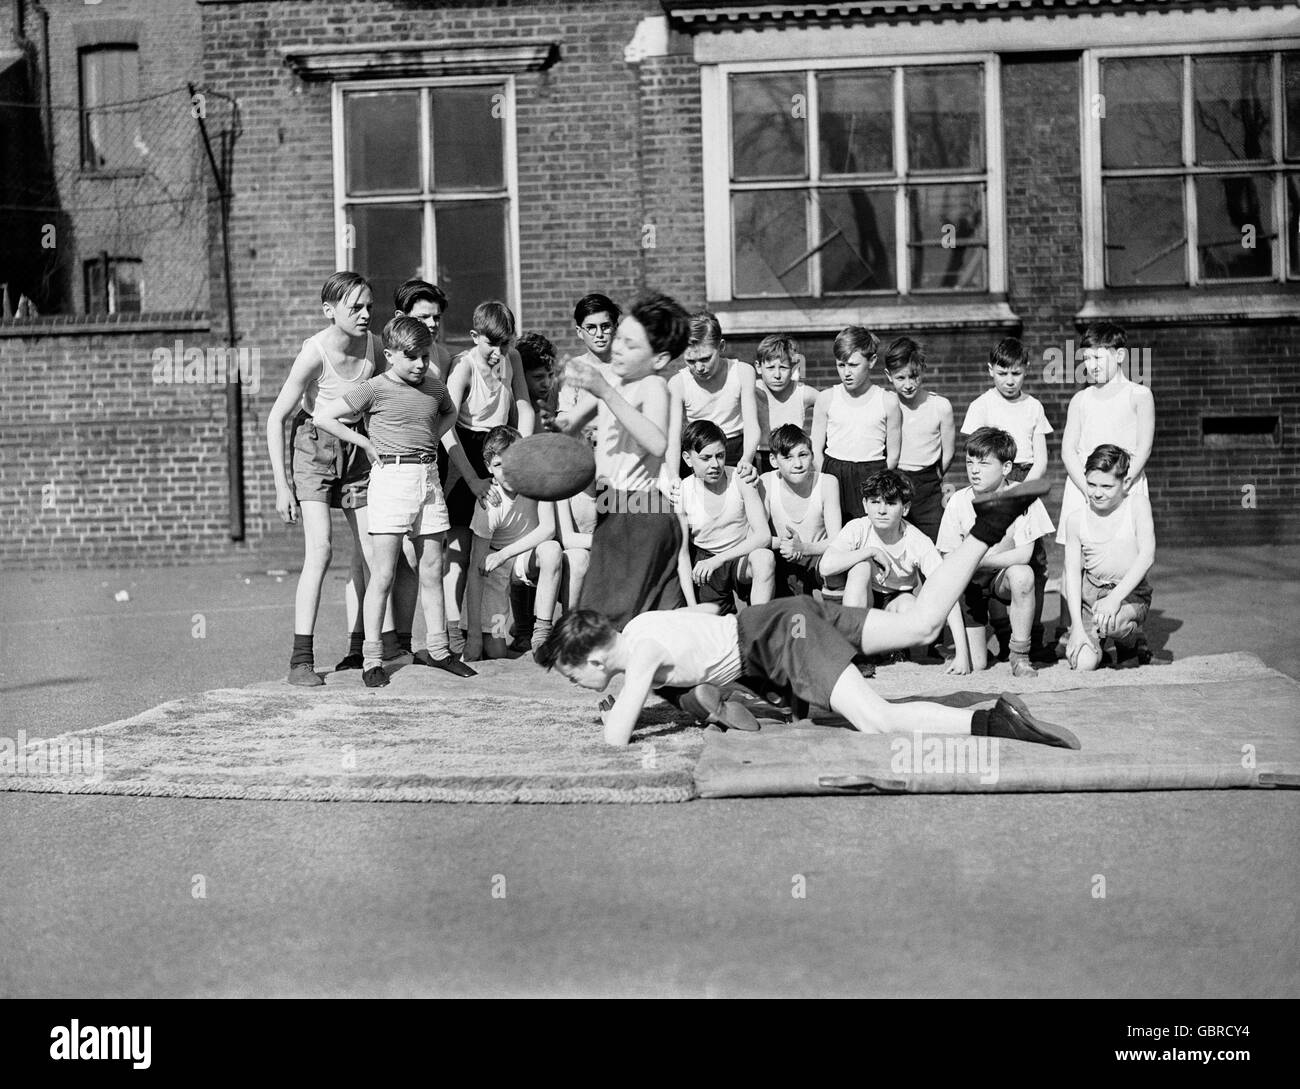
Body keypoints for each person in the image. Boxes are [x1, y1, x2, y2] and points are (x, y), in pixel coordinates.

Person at [535, 480, 1079, 751]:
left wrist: (615, 711)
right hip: (781, 620)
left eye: (571, 673)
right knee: (921, 626)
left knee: (877, 721)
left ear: (598, 655)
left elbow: (616, 740)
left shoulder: (641, 654)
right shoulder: (639, 627)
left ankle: (990, 722)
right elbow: (697, 621)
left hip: (777, 639)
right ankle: (988, 527)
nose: (573, 684)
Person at [313, 316, 476, 687]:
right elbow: (324, 416)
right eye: (412, 357)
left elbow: (449, 411)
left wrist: (433, 436)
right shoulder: (374, 388)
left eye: (424, 356)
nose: (420, 364)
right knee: (383, 573)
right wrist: (366, 443)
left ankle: (439, 651)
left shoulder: (434, 387)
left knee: (432, 569)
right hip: (390, 481)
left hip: (429, 480)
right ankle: (373, 659)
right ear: (389, 355)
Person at [266, 271, 386, 686]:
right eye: (355, 307)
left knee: (373, 551)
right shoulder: (314, 353)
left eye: (369, 305)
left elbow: (382, 401)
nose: (365, 314)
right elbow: (276, 417)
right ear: (329, 311)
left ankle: (364, 649)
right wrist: (282, 487)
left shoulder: (375, 347)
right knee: (321, 550)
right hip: (314, 447)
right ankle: (301, 661)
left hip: (357, 446)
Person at [559, 291, 692, 629]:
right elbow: (568, 425)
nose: (616, 347)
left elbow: (657, 442)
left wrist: (604, 390)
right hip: (611, 506)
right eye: (620, 339)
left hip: (643, 511)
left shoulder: (652, 386)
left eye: (631, 345)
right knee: (627, 617)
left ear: (659, 360)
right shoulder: (614, 382)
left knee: (624, 617)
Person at [440, 301, 536, 654]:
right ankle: (455, 633)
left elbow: (523, 405)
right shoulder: (464, 368)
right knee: (461, 552)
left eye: (506, 344)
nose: (499, 353)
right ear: (475, 337)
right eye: (491, 345)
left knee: (494, 552)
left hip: (499, 449)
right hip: (464, 453)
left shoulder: (512, 360)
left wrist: (520, 451)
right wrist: (473, 480)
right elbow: (445, 429)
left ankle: (492, 628)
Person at [819, 470, 972, 673]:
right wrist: (870, 551)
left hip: (895, 602)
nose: (881, 510)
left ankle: (892, 646)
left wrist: (962, 654)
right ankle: (855, 652)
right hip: (863, 600)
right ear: (865, 505)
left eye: (890, 503)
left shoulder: (917, 541)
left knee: (909, 604)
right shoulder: (857, 527)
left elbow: (947, 591)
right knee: (861, 567)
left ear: (905, 508)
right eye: (875, 502)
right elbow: (826, 566)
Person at [937, 427, 1055, 677]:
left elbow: (1023, 555)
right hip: (969, 585)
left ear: (1006, 467)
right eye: (969, 462)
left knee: (1023, 574)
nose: (974, 470)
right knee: (976, 664)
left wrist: (979, 560)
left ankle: (1020, 655)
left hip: (1002, 578)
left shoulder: (1022, 497)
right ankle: (974, 643)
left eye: (983, 463)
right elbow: (948, 558)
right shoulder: (958, 501)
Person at [962, 336, 1053, 650]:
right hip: (993, 480)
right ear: (991, 371)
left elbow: (1041, 456)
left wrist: (1024, 490)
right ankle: (1001, 627)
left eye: (1016, 373)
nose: (1010, 380)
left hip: (1025, 481)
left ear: (1026, 370)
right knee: (996, 552)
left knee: (1034, 561)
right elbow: (976, 454)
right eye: (1003, 373)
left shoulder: (1033, 406)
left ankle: (1031, 633)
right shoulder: (982, 405)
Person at [462, 426, 563, 661]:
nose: (506, 470)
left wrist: (504, 554)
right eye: (498, 465)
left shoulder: (537, 482)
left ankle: (541, 631)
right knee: (496, 652)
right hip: (495, 575)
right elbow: (476, 570)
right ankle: (504, 629)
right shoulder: (489, 503)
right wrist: (474, 636)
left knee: (552, 550)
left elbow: (548, 528)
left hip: (522, 561)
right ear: (488, 468)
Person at [1057, 322, 1155, 544]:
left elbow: (1144, 447)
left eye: (1098, 358)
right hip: (1083, 484)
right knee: (1076, 555)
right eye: (1086, 359)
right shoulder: (1081, 400)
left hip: (1123, 483)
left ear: (1119, 355)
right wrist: (1087, 487)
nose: (1091, 366)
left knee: (1126, 550)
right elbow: (1068, 450)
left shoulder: (1139, 394)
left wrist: (1125, 482)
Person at [1061, 444, 1156, 671]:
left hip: (1129, 592)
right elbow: (1073, 573)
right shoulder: (1076, 519)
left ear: (1124, 483)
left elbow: (1147, 556)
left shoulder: (1137, 505)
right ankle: (1099, 644)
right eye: (1092, 484)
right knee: (1082, 663)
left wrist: (1115, 599)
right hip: (1091, 596)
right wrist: (1075, 626)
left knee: (1113, 622)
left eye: (1106, 486)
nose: (1097, 492)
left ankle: (1130, 644)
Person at [675, 420, 775, 614]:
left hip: (740, 556)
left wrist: (719, 559)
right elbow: (682, 554)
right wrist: (692, 607)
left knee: (764, 557)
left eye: (720, 456)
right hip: (705, 563)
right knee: (714, 628)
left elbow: (763, 536)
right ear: (688, 459)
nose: (715, 465)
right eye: (705, 458)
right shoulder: (682, 492)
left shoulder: (740, 479)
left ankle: (758, 627)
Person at [811, 325, 901, 522]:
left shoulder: (887, 401)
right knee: (835, 536)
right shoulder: (827, 398)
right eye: (841, 365)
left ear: (872, 361)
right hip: (834, 472)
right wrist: (826, 475)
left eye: (853, 365)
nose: (846, 373)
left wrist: (877, 478)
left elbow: (893, 455)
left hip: (872, 473)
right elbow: (815, 449)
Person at [666, 310, 760, 482]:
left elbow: (752, 425)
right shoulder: (678, 383)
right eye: (691, 361)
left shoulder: (742, 372)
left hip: (736, 450)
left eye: (705, 358)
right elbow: (673, 438)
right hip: (697, 452)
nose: (699, 368)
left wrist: (747, 459)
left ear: (721, 346)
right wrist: (672, 474)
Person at [881, 336, 954, 543]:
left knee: (935, 542)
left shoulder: (940, 406)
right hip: (895, 480)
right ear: (889, 375)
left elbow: (948, 451)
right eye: (900, 378)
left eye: (914, 376)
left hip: (928, 484)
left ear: (923, 368)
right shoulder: (886, 404)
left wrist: (935, 475)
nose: (908, 384)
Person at [758, 423, 842, 599]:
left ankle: (836, 619)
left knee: (839, 566)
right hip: (781, 557)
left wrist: (803, 548)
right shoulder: (766, 482)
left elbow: (836, 539)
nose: (797, 464)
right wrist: (786, 545)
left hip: (816, 556)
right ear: (773, 461)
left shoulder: (827, 482)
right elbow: (757, 535)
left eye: (803, 455)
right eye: (788, 457)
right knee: (761, 558)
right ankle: (763, 620)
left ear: (812, 455)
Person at [553, 293, 620, 442]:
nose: (599, 334)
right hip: (585, 446)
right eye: (591, 328)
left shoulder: (625, 367)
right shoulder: (572, 368)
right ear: (579, 332)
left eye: (605, 326)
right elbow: (565, 416)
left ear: (615, 327)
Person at [753, 333, 818, 459]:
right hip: (759, 455)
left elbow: (832, 405)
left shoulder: (802, 393)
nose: (777, 375)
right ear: (758, 367)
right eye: (771, 367)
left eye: (783, 367)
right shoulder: (752, 390)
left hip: (792, 457)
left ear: (793, 368)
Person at [393, 279, 453, 379]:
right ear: (400, 317)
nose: (432, 324)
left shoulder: (442, 356)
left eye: (436, 317)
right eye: (423, 317)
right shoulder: (382, 353)